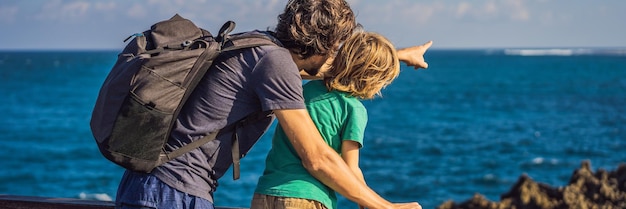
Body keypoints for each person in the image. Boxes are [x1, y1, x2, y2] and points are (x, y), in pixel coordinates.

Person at [114, 0, 430, 208]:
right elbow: (317, 157)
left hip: (144, 186)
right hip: (174, 192)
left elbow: (341, 68)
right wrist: (384, 206)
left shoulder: (259, 45)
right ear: (320, 46)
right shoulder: (275, 64)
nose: (336, 54)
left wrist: (398, 55)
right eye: (334, 46)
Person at [252, 31, 402, 209]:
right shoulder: (353, 109)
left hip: (266, 193)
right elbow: (351, 168)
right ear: (373, 79)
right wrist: (368, 203)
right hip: (309, 198)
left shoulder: (306, 91)